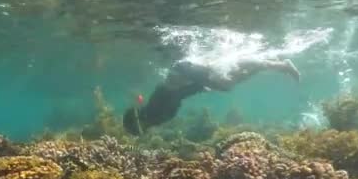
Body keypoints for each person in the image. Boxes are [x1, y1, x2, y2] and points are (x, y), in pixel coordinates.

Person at [122, 57, 300, 135]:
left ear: (139, 121)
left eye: (140, 129)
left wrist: (195, 84)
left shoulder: (154, 110)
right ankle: (271, 63)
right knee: (227, 82)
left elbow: (170, 90)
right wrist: (200, 88)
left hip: (184, 71)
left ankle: (276, 64)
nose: (145, 131)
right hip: (187, 76)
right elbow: (179, 96)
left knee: (225, 82)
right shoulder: (156, 116)